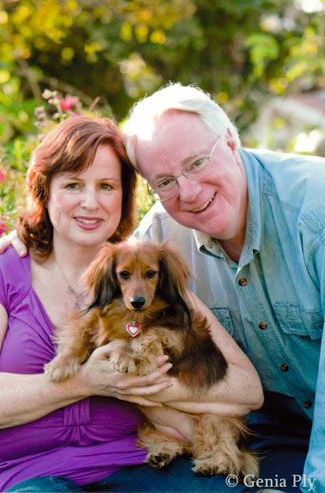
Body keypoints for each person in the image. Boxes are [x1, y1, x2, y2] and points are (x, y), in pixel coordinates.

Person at [0, 114, 263, 492]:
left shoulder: (149, 277)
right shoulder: (8, 270)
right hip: (30, 475)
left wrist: (145, 385)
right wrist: (83, 382)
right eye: (73, 185)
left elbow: (247, 389)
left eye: (106, 186)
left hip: (140, 463)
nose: (90, 202)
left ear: (124, 197)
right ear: (45, 190)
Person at [121, 83, 325, 493]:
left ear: (231, 140)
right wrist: (32, 240)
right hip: (268, 435)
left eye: (197, 162)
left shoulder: (314, 212)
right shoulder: (160, 239)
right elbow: (113, 303)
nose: (189, 193)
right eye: (164, 181)